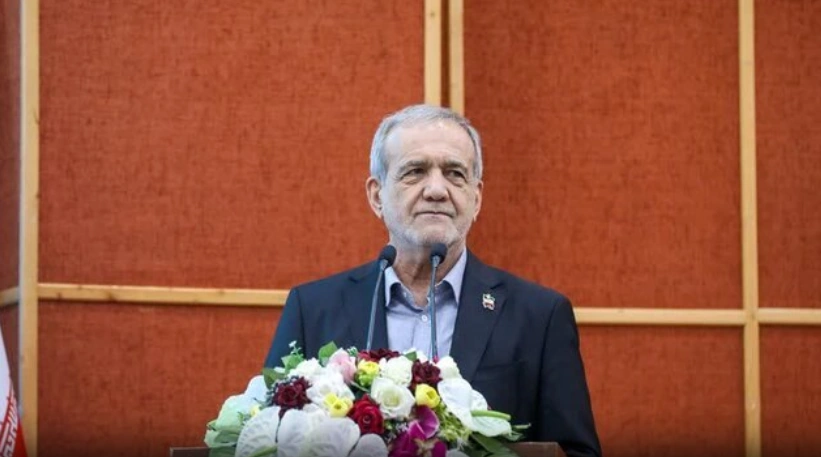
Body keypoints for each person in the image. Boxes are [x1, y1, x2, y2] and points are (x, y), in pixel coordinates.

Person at [265, 104, 602, 457]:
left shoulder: (540, 317)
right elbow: (268, 435)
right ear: (377, 196)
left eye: (455, 173)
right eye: (415, 171)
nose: (437, 190)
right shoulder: (312, 309)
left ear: (476, 198)